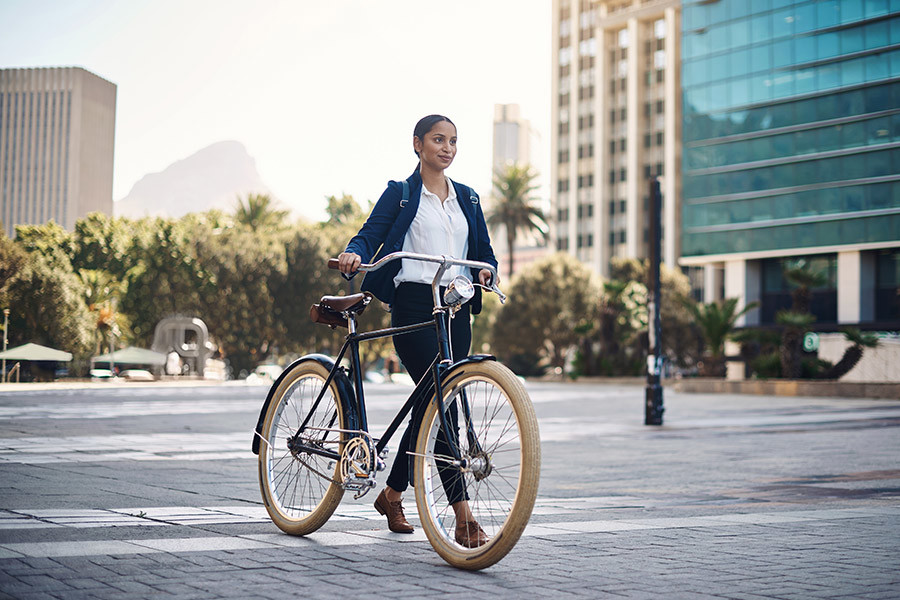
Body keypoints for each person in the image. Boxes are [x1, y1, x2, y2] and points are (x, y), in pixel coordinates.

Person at [337, 114, 498, 548]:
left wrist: (487, 271)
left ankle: (391, 494)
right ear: (418, 144)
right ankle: (464, 520)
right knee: (443, 408)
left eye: (453, 141)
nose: (447, 148)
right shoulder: (403, 193)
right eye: (438, 140)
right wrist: (354, 253)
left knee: (435, 403)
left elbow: (484, 252)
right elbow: (370, 235)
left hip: (456, 309)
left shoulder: (468, 197)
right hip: (413, 306)